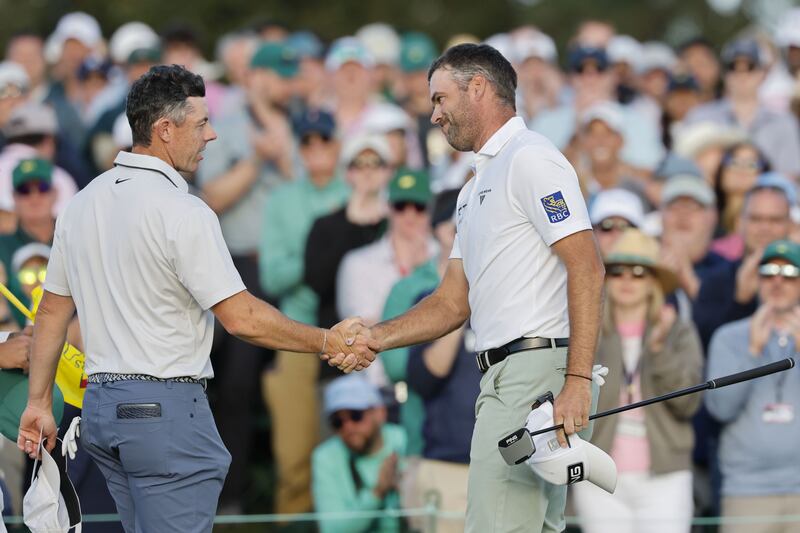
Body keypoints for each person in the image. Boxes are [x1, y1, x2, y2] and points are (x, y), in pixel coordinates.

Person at [16, 65, 374, 533]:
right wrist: (329, 342)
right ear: (166, 130)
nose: (212, 134)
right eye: (202, 123)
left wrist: (38, 402)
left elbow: (51, 311)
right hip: (163, 415)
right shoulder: (185, 211)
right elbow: (242, 318)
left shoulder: (82, 203)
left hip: (102, 410)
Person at [336, 43, 605, 532]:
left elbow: (587, 267)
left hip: (532, 377)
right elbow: (449, 303)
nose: (434, 115)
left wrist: (579, 382)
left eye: (440, 99)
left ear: (477, 87)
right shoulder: (470, 189)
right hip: (509, 377)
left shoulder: (531, 160)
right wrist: (375, 337)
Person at [572, 229, 703, 533]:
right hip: (599, 474)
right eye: (617, 271)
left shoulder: (678, 332)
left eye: (639, 272)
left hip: (666, 476)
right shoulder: (586, 332)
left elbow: (688, 404)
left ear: (653, 282)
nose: (628, 280)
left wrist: (659, 352)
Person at [706, 239, 800, 533]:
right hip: (746, 489)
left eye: (789, 274)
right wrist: (753, 352)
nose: (778, 281)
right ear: (756, 279)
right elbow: (721, 409)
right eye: (769, 272)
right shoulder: (729, 337)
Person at [311, 375, 406, 533]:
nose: (348, 427)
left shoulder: (405, 440)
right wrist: (377, 493)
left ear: (380, 413)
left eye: (356, 415)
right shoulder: (325, 457)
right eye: (337, 422)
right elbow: (332, 529)